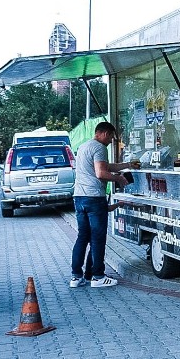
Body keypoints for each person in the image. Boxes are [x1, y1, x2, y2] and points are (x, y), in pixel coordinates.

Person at [70, 122, 139, 288]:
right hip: (94, 198)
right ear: (104, 133)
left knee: (82, 237)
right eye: (111, 137)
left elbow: (106, 166)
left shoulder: (84, 146)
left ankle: (76, 277)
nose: (110, 141)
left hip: (79, 197)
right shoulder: (100, 147)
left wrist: (128, 165)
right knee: (98, 239)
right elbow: (101, 173)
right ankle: (98, 276)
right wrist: (119, 178)